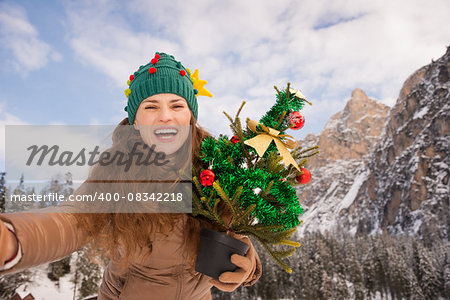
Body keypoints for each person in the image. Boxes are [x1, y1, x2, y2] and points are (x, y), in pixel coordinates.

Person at [0, 52, 262, 300]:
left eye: (177, 105)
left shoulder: (218, 168)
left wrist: (248, 265)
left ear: (190, 115)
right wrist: (13, 238)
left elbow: (235, 230)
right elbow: (76, 219)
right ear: (135, 120)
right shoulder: (116, 170)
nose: (165, 117)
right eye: (151, 106)